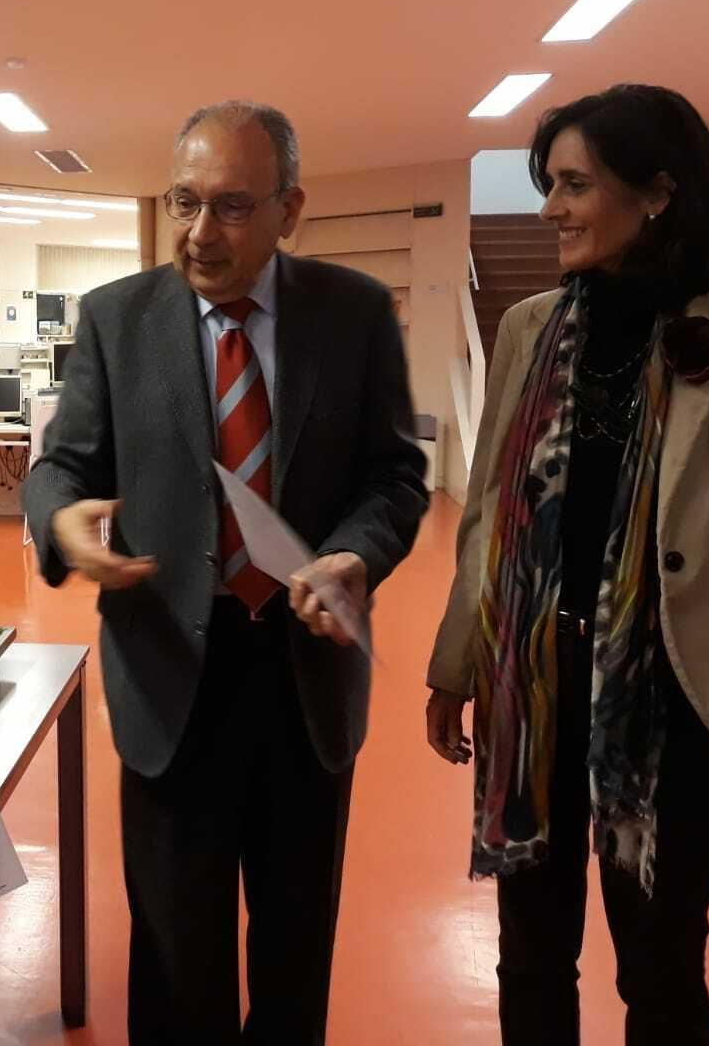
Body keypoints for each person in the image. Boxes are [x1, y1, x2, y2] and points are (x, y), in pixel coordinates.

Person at [426, 84, 709, 1045]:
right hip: (534, 691)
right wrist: (457, 665)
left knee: (659, 965)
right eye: (547, 186)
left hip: (680, 701)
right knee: (529, 955)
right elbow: (488, 514)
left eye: (573, 185)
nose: (551, 209)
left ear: (655, 192)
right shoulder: (530, 325)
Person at [23, 100, 428, 1043]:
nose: (200, 232)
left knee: (294, 960)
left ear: (290, 209)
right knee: (175, 969)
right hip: (169, 681)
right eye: (184, 201)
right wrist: (63, 526)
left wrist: (356, 557)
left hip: (305, 678)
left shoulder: (354, 315)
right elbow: (62, 468)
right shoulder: (117, 321)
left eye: (233, 207)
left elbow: (395, 475)